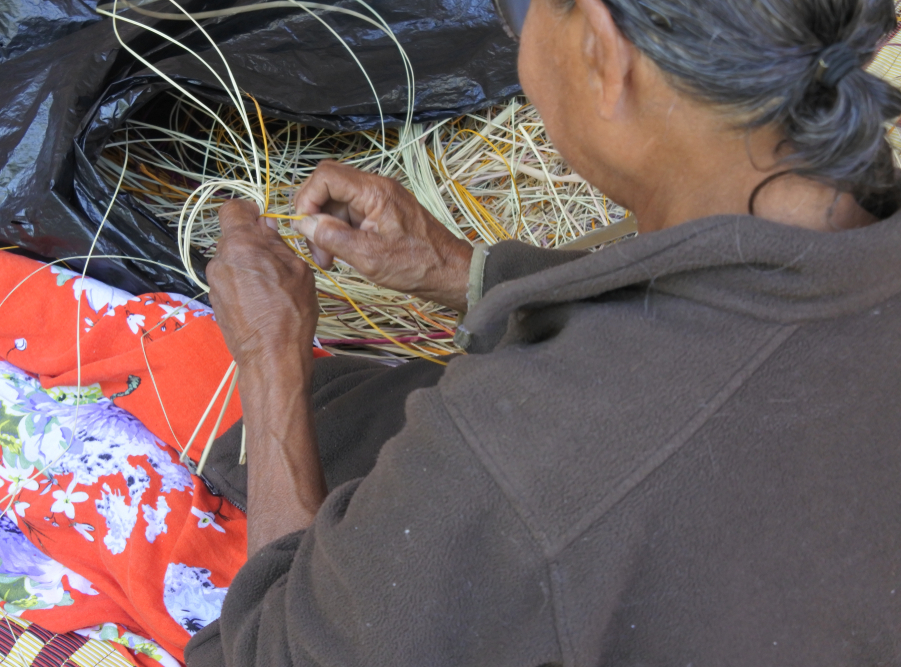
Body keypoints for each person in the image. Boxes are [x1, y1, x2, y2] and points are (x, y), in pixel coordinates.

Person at [187, 0, 901, 664]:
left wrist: (269, 357)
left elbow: (276, 649)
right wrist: (456, 270)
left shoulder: (531, 450)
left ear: (600, 47)